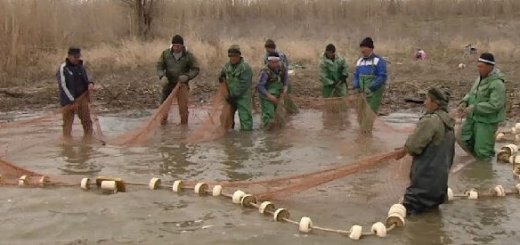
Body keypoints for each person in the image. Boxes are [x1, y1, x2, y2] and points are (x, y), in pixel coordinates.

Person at [395, 87, 455, 215]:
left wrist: (404, 149)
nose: (424, 102)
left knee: (405, 218)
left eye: (427, 99)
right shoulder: (449, 123)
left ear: (435, 103)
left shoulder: (431, 120)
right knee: (431, 218)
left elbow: (413, 147)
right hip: (440, 187)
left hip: (423, 187)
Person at [457, 53, 506, 160]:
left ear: (490, 67)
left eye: (481, 67)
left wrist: (475, 107)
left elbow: (495, 105)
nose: (478, 69)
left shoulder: (497, 83)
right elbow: (472, 93)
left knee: (483, 151)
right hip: (473, 117)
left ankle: (484, 169)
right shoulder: (480, 78)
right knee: (461, 137)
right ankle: (475, 163)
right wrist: (464, 102)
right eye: (478, 66)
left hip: (486, 121)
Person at [157, 34, 200, 125]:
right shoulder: (165, 54)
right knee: (163, 108)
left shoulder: (188, 55)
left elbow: (196, 69)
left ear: (182, 46)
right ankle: (163, 126)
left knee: (183, 109)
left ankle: (184, 129)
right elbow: (159, 66)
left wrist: (187, 76)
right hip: (168, 84)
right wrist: (162, 76)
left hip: (182, 84)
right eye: (174, 45)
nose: (176, 48)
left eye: (178, 46)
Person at [56, 47, 94, 138]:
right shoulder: (63, 68)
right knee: (67, 124)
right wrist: (72, 101)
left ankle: (88, 141)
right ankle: (67, 145)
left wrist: (90, 83)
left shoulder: (81, 66)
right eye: (75, 57)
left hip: (82, 98)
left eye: (78, 56)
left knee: (87, 122)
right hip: (68, 102)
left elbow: (87, 78)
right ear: (69, 56)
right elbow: (63, 86)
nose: (77, 59)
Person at [218, 45, 253, 131]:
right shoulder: (227, 66)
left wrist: (233, 95)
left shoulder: (245, 68)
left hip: (243, 97)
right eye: (230, 56)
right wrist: (220, 76)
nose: (233, 58)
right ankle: (229, 137)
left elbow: (244, 85)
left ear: (239, 56)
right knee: (225, 118)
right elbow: (222, 74)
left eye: (234, 56)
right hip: (230, 96)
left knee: (246, 120)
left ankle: (246, 138)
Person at [353, 37, 388, 113]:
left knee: (368, 117)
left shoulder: (379, 61)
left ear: (371, 48)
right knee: (360, 118)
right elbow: (356, 75)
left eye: (364, 47)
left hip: (373, 95)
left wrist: (370, 88)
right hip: (362, 95)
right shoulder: (360, 61)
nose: (362, 50)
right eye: (361, 48)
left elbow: (382, 77)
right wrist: (356, 86)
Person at [257, 52, 289, 128]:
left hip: (278, 95)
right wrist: (270, 97)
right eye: (272, 62)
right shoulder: (265, 71)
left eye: (276, 62)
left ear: (279, 61)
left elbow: (285, 81)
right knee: (269, 116)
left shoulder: (283, 68)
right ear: (268, 62)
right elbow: (260, 87)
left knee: (280, 117)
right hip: (266, 96)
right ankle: (267, 134)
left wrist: (285, 89)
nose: (274, 64)